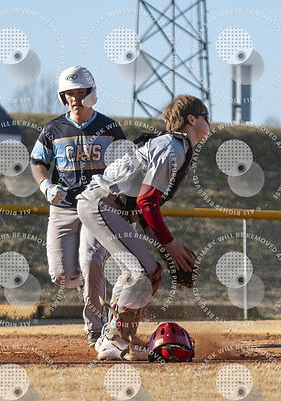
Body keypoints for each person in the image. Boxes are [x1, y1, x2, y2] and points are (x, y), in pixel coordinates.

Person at [76, 94, 210, 360]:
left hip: (110, 206)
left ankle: (119, 336)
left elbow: (143, 206)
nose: (210, 122)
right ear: (191, 119)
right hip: (103, 204)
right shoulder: (173, 147)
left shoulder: (175, 147)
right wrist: (169, 244)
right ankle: (112, 339)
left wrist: (165, 245)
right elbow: (146, 201)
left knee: (142, 272)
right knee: (143, 273)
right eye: (206, 116)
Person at [30, 66, 126, 347]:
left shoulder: (110, 128)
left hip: (98, 206)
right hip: (63, 207)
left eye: (80, 92)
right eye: (69, 93)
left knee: (91, 260)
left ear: (91, 93)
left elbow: (127, 165)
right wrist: (46, 186)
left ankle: (96, 328)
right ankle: (89, 286)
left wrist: (115, 191)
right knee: (61, 274)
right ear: (63, 97)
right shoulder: (53, 129)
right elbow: (37, 161)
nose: (74, 98)